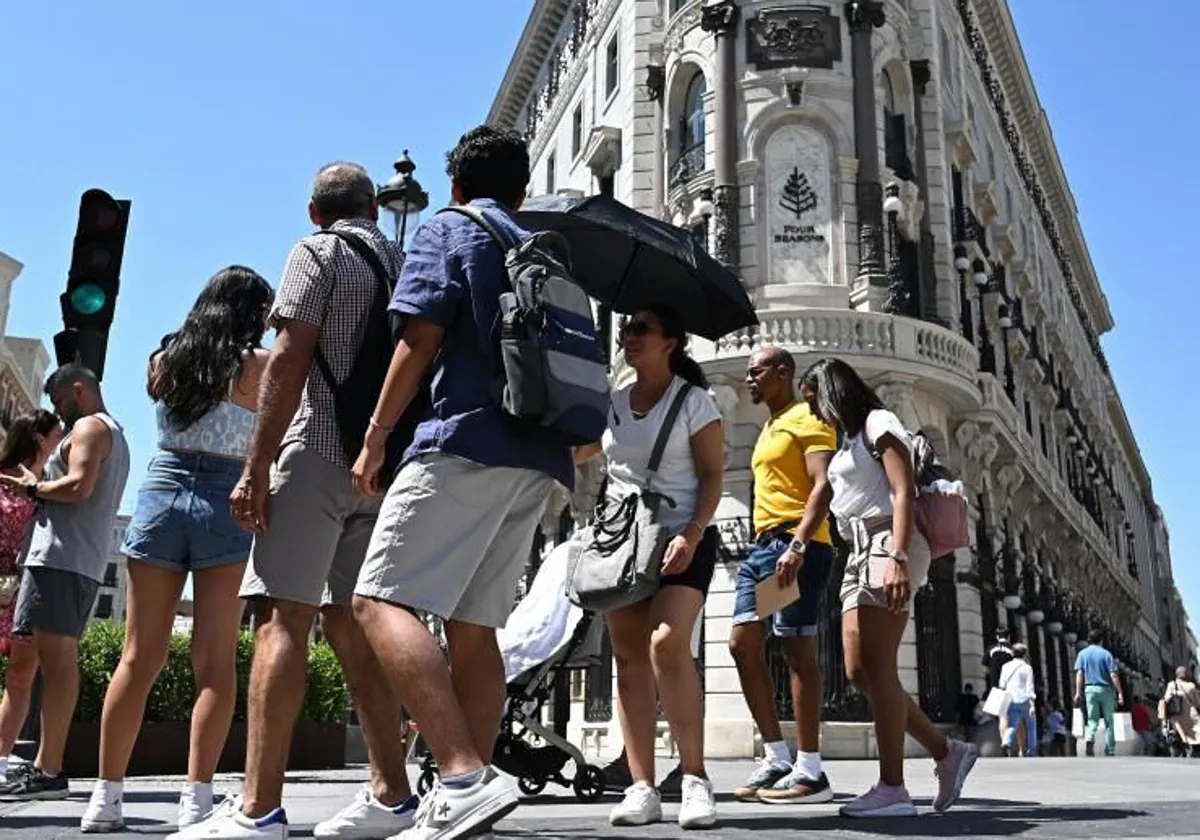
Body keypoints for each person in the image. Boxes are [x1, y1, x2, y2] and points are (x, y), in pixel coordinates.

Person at [172, 164, 416, 840]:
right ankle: (393, 795)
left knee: (285, 620)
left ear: (315, 212)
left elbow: (289, 356)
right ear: (373, 206)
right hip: (381, 464)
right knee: (356, 628)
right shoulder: (405, 257)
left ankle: (259, 808)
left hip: (316, 455)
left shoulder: (317, 252)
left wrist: (256, 463)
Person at [347, 126, 572, 840]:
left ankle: (462, 776)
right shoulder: (541, 247)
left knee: (377, 599)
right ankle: (461, 799)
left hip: (466, 438)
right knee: (475, 629)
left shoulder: (449, 229)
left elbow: (419, 337)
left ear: (453, 187)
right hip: (538, 460)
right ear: (522, 190)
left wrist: (377, 435)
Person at [81, 268, 273, 833]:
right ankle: (197, 799)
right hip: (226, 499)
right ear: (251, 312)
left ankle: (105, 798)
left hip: (162, 493)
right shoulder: (259, 368)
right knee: (214, 662)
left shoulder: (163, 361)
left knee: (138, 657)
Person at [799, 358, 976, 818]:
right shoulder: (844, 443)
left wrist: (898, 556)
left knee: (878, 667)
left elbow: (903, 492)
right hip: (857, 551)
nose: (814, 412)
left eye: (814, 399)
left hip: (886, 543)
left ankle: (893, 787)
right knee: (860, 671)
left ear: (832, 391)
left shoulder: (879, 421)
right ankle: (945, 751)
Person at [573, 305, 723, 829]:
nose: (629, 336)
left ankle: (695, 779)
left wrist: (694, 532)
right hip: (625, 542)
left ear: (671, 342)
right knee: (630, 659)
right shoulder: (612, 403)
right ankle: (641, 786)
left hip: (684, 536)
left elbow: (711, 476)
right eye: (626, 328)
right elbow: (582, 451)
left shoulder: (694, 402)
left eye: (641, 329)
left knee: (666, 643)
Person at [0, 365, 130, 801]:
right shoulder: (110, 431)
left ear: (78, 389)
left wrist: (35, 488)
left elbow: (78, 486)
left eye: (59, 401)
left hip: (61, 560)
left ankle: (49, 769)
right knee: (52, 665)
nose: (58, 411)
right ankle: (45, 766)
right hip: (69, 561)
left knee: (57, 667)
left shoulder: (92, 427)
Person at [728, 347, 836, 805]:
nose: (749, 379)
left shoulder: (807, 418)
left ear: (783, 373)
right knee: (742, 644)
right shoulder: (770, 425)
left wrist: (797, 544)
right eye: (748, 373)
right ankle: (776, 756)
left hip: (797, 545)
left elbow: (823, 484)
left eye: (756, 373)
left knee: (796, 649)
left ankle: (811, 769)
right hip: (763, 549)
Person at [0, 410, 63, 778]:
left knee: (20, 676)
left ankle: (2, 759)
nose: (64, 439)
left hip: (27, 589)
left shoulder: (54, 484)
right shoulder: (5, 475)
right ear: (40, 438)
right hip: (11, 580)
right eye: (58, 433)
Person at [1074, 628, 1124, 757]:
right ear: (1101, 640)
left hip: (1089, 689)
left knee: (1092, 719)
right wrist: (1120, 692)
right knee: (1109, 721)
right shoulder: (1106, 654)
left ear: (1089, 640)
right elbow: (1113, 674)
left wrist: (1078, 693)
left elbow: (1080, 674)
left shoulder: (1082, 654)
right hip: (1106, 689)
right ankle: (1110, 749)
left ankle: (1090, 736)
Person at [998, 643, 1037, 757]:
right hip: (1025, 700)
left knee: (1012, 725)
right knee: (1031, 726)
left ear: (1012, 653)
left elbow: (1002, 684)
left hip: (1011, 699)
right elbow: (1029, 687)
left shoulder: (1005, 667)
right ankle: (1031, 751)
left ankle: (1006, 742)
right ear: (1025, 654)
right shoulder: (1027, 668)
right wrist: (1032, 704)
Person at [1159, 666, 1199, 759]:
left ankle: (1183, 746)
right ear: (1186, 674)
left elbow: (1166, 699)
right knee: (1196, 729)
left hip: (1176, 714)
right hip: (1189, 714)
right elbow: (1197, 703)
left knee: (1177, 731)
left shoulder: (1171, 685)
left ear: (1176, 675)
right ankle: (1192, 747)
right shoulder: (1191, 686)